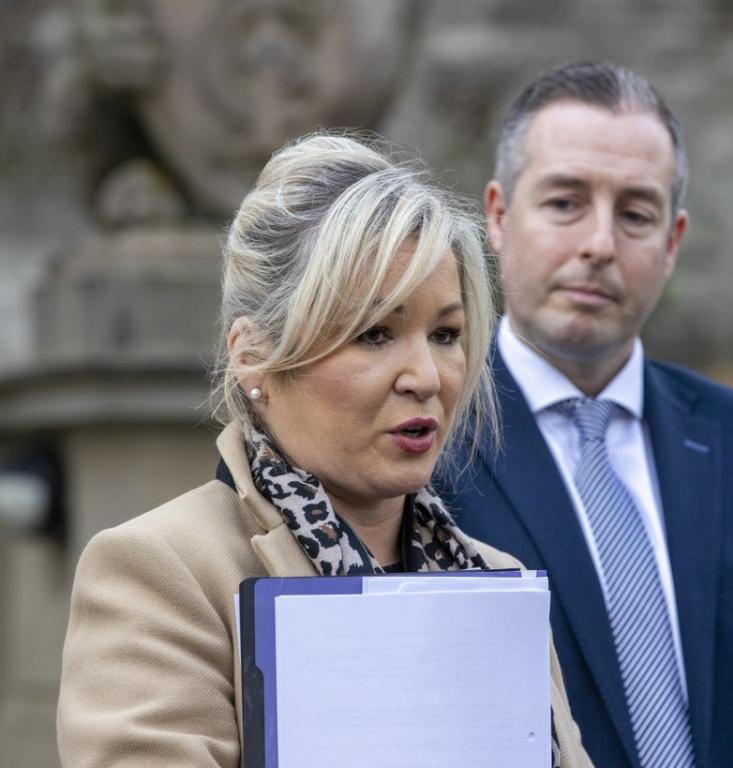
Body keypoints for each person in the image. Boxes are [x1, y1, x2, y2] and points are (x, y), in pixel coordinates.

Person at [56, 133, 591, 767]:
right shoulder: (161, 571)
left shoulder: (496, 579)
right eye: (373, 333)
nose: (426, 374)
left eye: (446, 333)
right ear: (254, 358)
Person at [437, 61, 733, 767]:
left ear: (673, 242)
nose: (599, 244)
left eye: (636, 214)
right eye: (564, 203)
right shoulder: (423, 446)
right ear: (497, 216)